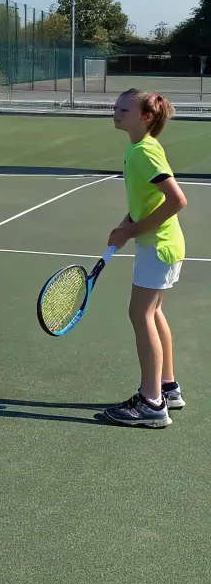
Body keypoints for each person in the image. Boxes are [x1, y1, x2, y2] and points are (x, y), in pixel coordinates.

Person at [102, 89, 188, 429]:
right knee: (152, 312)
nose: (116, 112)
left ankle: (152, 403)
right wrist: (126, 225)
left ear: (146, 117)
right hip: (162, 245)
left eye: (124, 109)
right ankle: (168, 387)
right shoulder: (139, 149)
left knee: (140, 314)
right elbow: (147, 199)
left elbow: (176, 200)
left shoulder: (145, 153)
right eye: (116, 107)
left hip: (159, 246)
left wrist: (132, 231)